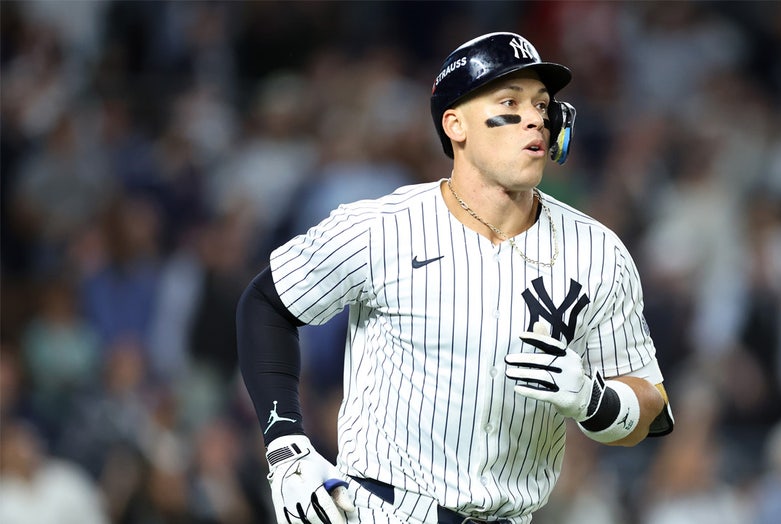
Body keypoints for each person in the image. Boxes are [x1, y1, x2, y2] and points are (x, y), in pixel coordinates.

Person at [236, 31, 674, 524]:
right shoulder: (381, 227)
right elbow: (266, 304)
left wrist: (598, 401)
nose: (535, 118)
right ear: (456, 124)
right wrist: (285, 444)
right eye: (510, 101)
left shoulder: (597, 251)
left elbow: (652, 406)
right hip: (382, 511)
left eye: (543, 104)